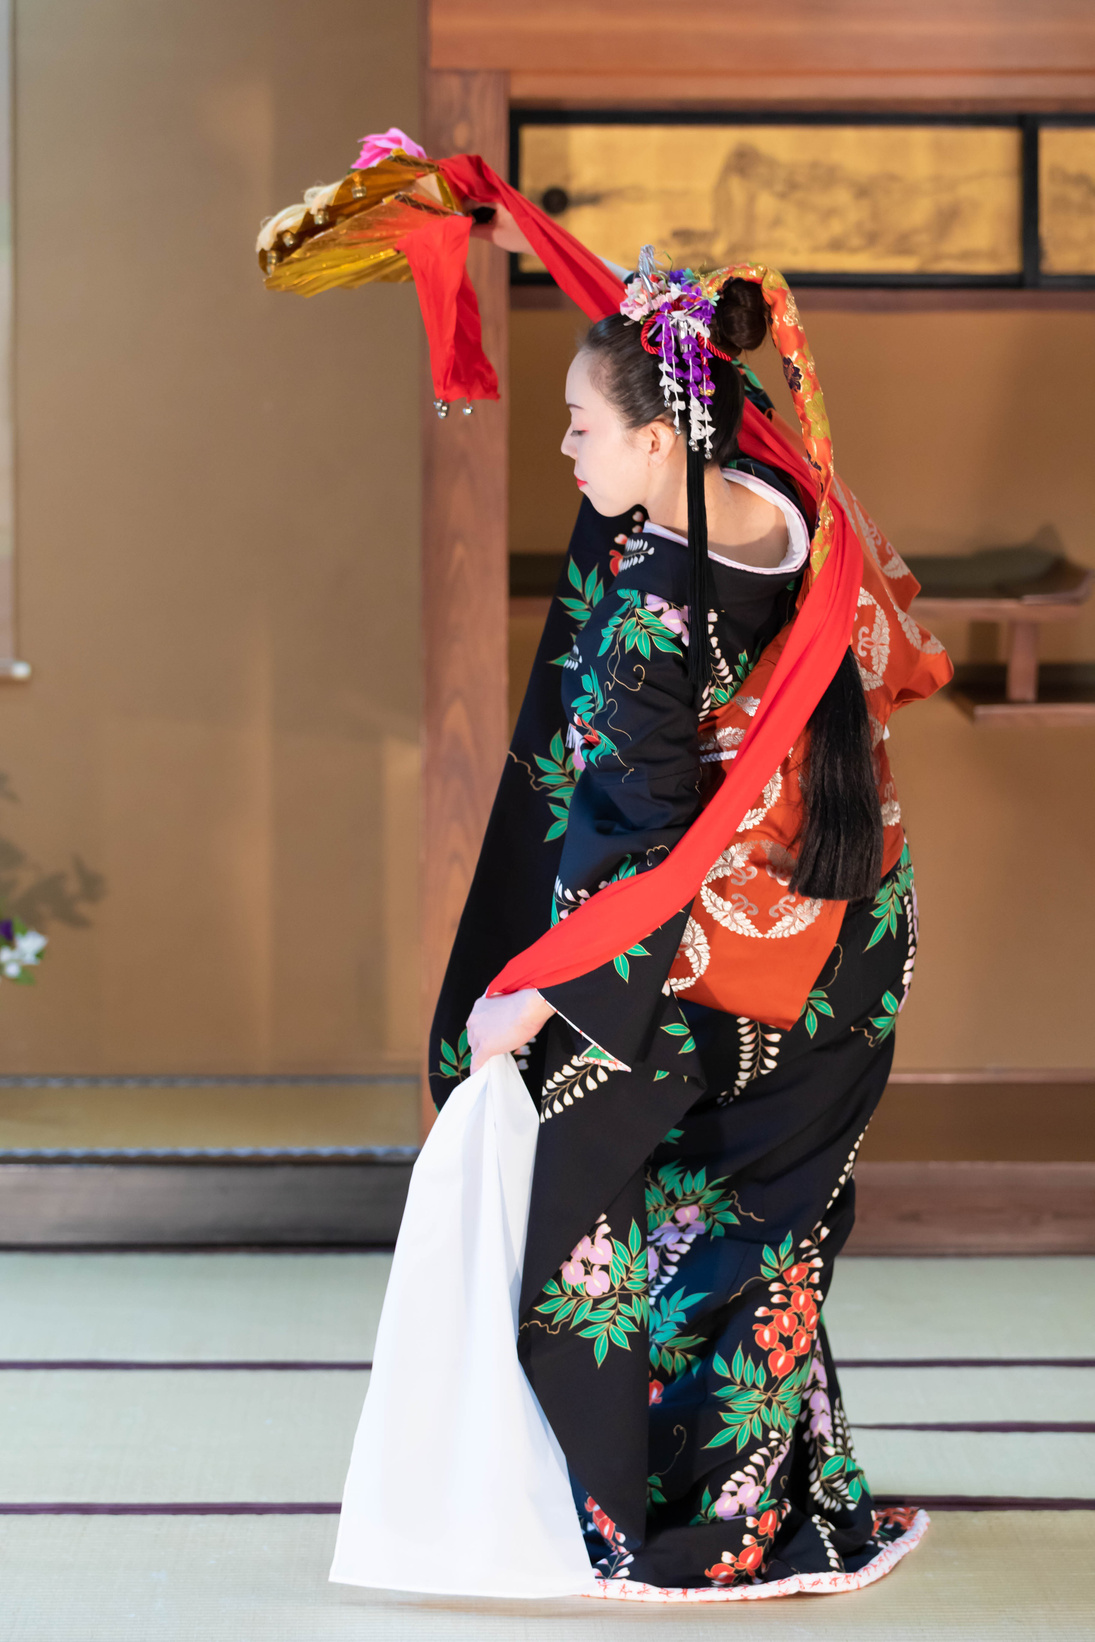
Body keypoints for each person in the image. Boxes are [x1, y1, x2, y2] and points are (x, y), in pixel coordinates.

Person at [426, 208, 951, 1596]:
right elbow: (692, 373)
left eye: (581, 426)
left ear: (660, 438)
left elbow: (641, 838)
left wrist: (541, 988)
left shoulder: (657, 597)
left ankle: (701, 1527)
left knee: (610, 1203)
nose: (566, 450)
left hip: (712, 953)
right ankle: (796, 1495)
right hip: (848, 928)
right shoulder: (793, 502)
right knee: (770, 1217)